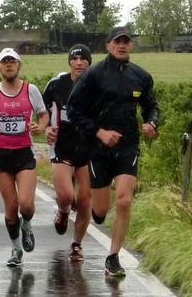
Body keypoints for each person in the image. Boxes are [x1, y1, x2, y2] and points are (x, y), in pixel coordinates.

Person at [67, 27, 159, 277]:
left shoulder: (141, 76)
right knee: (100, 212)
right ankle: (94, 213)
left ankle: (113, 257)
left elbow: (152, 107)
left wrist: (151, 123)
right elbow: (74, 110)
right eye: (117, 42)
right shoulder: (93, 75)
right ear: (108, 45)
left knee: (125, 200)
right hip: (98, 149)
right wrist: (99, 132)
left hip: (128, 147)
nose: (121, 46)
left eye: (126, 42)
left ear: (130, 46)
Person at [0, 48, 49, 267]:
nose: (9, 65)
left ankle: (26, 224)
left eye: (12, 61)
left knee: (26, 205)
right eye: (4, 62)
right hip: (0, 155)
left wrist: (41, 126)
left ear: (19, 65)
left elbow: (44, 114)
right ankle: (16, 249)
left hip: (23, 152)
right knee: (11, 207)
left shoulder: (31, 90)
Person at [42, 44, 92, 261]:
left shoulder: (97, 84)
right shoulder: (56, 84)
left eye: (83, 59)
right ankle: (62, 211)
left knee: (84, 201)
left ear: (89, 62)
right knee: (66, 196)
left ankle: (77, 244)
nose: (79, 63)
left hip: (88, 148)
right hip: (61, 145)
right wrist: (46, 128)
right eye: (75, 59)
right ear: (70, 62)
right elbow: (41, 110)